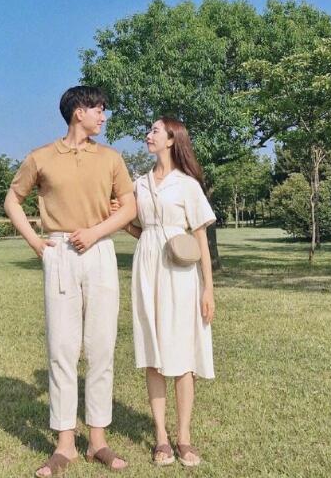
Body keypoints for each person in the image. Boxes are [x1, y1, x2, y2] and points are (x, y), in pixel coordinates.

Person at [4, 86, 136, 477]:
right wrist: (36, 243)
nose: (103, 116)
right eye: (99, 109)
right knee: (62, 349)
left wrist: (95, 232)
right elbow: (13, 200)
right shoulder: (41, 157)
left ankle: (98, 442)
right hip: (59, 252)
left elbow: (129, 207)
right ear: (79, 111)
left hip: (100, 251)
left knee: (101, 348)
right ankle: (65, 446)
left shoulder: (111, 158)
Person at [123, 117, 216, 467]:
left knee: (183, 354)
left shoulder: (187, 185)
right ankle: (161, 437)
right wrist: (136, 230)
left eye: (155, 131)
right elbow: (139, 227)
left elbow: (201, 239)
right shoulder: (139, 184)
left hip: (181, 274)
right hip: (147, 270)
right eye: (149, 130)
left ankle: (184, 438)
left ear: (172, 139)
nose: (148, 135)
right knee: (153, 350)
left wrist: (208, 289)